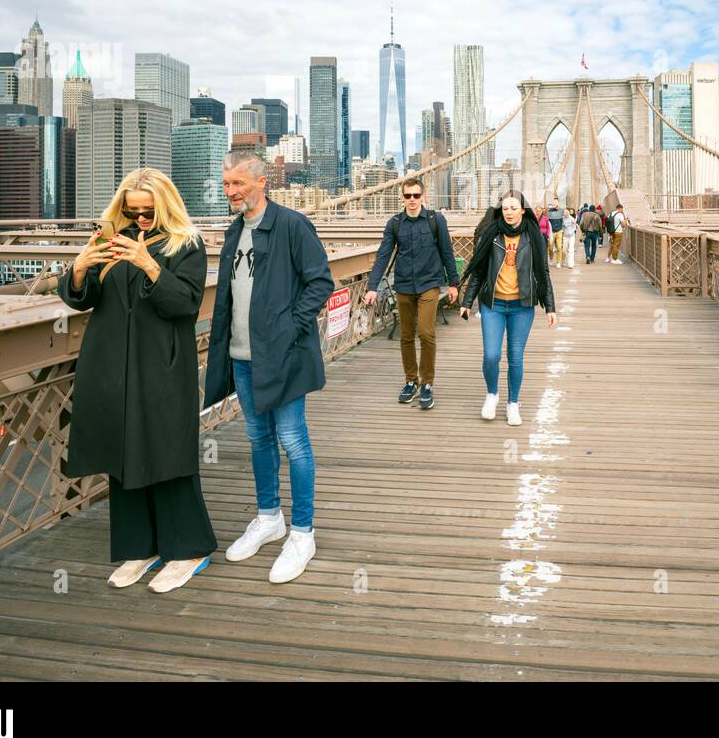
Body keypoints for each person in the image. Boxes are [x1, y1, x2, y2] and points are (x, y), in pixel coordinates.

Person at [58, 167, 215, 593]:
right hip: (110, 363)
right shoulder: (112, 238)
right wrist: (77, 270)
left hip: (161, 365)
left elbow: (185, 303)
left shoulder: (187, 243)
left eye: (147, 213)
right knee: (122, 454)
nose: (139, 220)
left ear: (164, 206)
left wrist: (149, 265)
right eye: (132, 211)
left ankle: (188, 549)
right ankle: (140, 546)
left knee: (167, 453)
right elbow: (83, 298)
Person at [204, 150, 335, 583]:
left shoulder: (292, 226)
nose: (231, 192)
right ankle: (268, 517)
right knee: (258, 438)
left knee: (294, 441)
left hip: (285, 355)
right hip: (242, 357)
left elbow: (320, 282)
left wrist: (289, 327)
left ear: (263, 183)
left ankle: (302, 532)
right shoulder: (232, 232)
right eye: (226, 185)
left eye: (238, 183)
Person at [459, 191, 557, 426]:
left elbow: (543, 272)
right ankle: (492, 395)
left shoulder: (534, 236)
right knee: (491, 355)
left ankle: (513, 403)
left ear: (523, 210)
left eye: (514, 208)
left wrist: (551, 307)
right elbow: (479, 271)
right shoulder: (490, 234)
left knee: (515, 357)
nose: (509, 212)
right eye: (505, 208)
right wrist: (466, 302)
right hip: (493, 304)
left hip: (522, 306)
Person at [364, 176, 459, 411]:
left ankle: (427, 383)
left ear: (423, 196)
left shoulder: (436, 220)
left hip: (429, 284)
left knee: (426, 333)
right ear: (402, 197)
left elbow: (447, 252)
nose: (412, 200)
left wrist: (454, 284)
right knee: (406, 336)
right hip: (404, 285)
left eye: (416, 195)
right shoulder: (395, 223)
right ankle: (410, 381)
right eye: (408, 196)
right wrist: (372, 287)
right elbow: (383, 256)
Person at [546, 201, 565, 266]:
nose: (555, 204)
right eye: (554, 203)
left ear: (558, 204)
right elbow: (547, 221)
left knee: (559, 247)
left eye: (556, 203)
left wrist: (562, 228)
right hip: (552, 232)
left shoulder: (561, 211)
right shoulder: (549, 212)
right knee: (550, 248)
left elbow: (564, 220)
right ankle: (551, 258)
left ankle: (558, 262)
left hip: (559, 231)